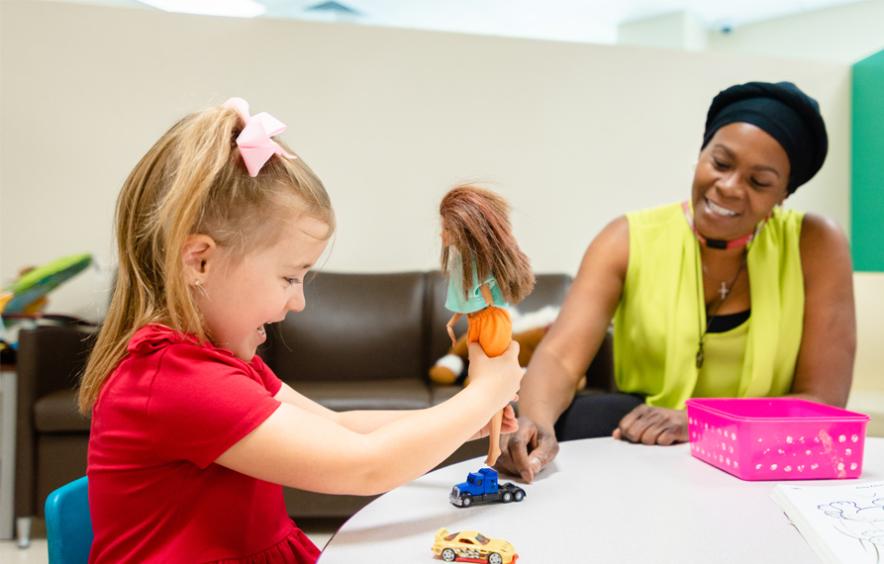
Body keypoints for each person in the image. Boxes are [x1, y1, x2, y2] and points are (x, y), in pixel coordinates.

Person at [78, 98, 523, 563]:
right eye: (290, 277)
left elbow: (338, 427)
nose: (299, 301)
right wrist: (485, 391)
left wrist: (462, 422)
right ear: (200, 261)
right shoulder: (177, 380)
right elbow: (364, 465)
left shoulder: (224, 365)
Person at [497, 81, 855, 483]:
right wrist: (535, 421)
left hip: (762, 452)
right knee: (574, 422)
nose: (730, 187)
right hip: (648, 441)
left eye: (759, 182)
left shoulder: (817, 242)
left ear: (784, 194)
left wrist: (699, 424)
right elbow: (561, 356)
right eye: (720, 163)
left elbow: (824, 400)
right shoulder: (626, 238)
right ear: (700, 156)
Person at [439, 184, 535, 465]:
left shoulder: (480, 266)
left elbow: (481, 301)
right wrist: (456, 318)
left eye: (447, 229)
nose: (441, 235)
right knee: (491, 393)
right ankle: (494, 446)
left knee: (492, 392)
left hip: (491, 324)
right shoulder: (463, 260)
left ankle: (494, 449)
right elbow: (468, 303)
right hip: (479, 322)